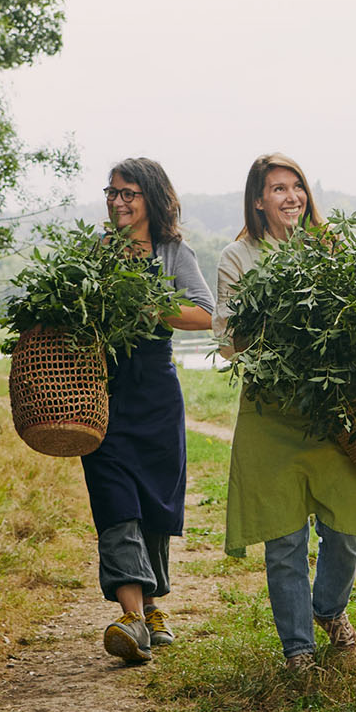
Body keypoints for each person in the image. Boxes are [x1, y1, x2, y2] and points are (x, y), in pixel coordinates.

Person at [211, 153, 356, 672]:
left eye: (297, 187)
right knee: (284, 538)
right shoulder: (237, 257)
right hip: (271, 412)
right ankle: (298, 650)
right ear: (258, 200)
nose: (291, 197)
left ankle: (328, 610)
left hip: (332, 410)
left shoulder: (329, 248)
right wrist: (265, 316)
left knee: (348, 525)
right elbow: (225, 341)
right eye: (278, 189)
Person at [87, 158, 214, 664]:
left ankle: (152, 607)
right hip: (103, 392)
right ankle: (133, 617)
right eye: (112, 192)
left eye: (129, 193)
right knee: (115, 500)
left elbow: (206, 312)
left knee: (155, 506)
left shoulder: (172, 252)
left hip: (156, 393)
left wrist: (150, 305)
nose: (118, 201)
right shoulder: (97, 252)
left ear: (152, 198)